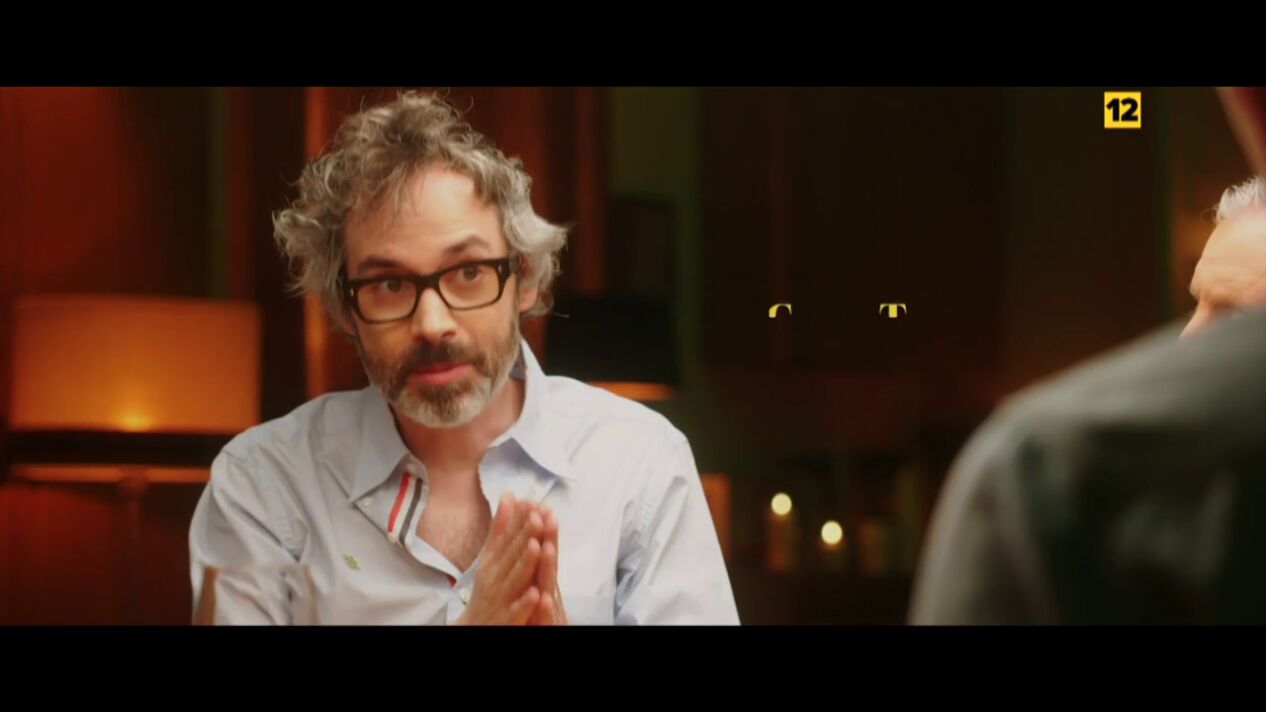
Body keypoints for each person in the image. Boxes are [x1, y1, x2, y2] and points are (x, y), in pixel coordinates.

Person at [189, 91, 738, 625]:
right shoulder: (263, 484)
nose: (432, 324)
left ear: (523, 277)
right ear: (343, 309)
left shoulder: (639, 462)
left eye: (468, 272)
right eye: (389, 284)